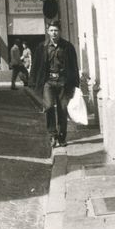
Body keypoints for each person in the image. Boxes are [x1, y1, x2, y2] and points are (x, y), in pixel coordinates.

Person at [31, 20, 80, 148]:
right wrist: (33, 82)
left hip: (63, 82)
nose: (54, 33)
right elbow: (35, 66)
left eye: (56, 30)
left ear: (60, 31)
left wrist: (76, 85)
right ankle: (52, 134)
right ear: (48, 32)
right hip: (48, 82)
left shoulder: (68, 47)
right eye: (51, 30)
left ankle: (62, 137)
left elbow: (74, 66)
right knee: (48, 107)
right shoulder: (42, 47)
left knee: (63, 109)